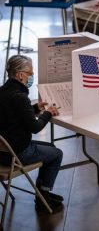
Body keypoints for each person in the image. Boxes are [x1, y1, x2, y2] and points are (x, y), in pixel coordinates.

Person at [0, 55, 64, 213]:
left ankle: (43, 193)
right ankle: (42, 198)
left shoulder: (3, 91)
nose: (31, 76)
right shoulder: (20, 97)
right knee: (57, 154)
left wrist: (35, 109)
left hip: (1, 151)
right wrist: (48, 113)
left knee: (50, 147)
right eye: (30, 73)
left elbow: (14, 115)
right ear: (20, 74)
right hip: (16, 154)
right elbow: (35, 127)